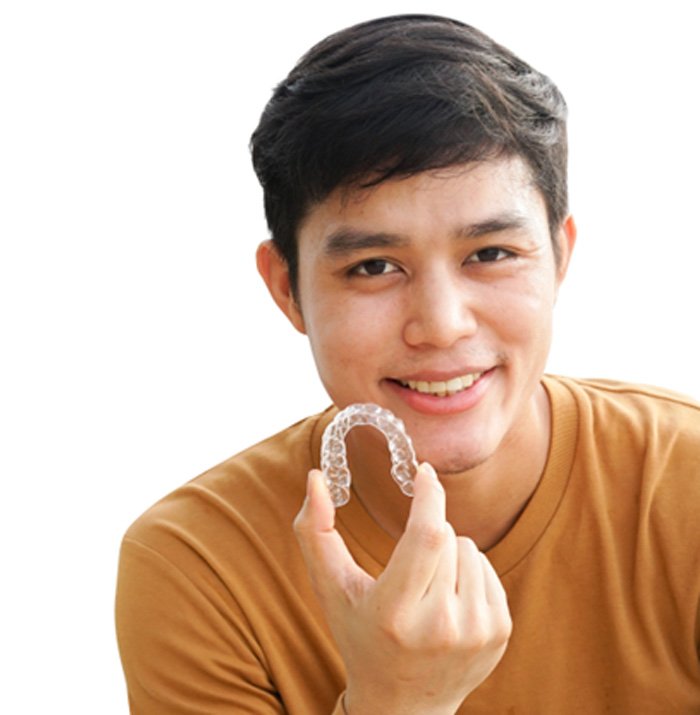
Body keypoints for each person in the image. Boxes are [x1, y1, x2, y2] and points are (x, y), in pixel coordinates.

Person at [115, 14, 700, 714]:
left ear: (559, 256)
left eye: (490, 254)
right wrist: (395, 701)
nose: (442, 323)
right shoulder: (197, 566)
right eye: (373, 266)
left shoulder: (685, 490)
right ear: (286, 288)